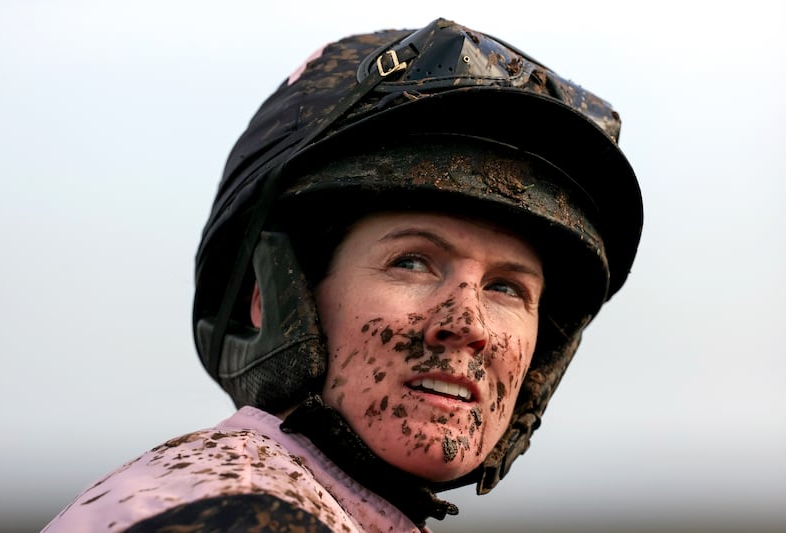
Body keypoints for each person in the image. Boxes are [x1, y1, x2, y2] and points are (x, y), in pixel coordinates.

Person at [43, 17, 643, 532]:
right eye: (412, 261)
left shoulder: (263, 496)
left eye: (507, 287)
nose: (468, 325)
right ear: (274, 297)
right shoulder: (247, 514)